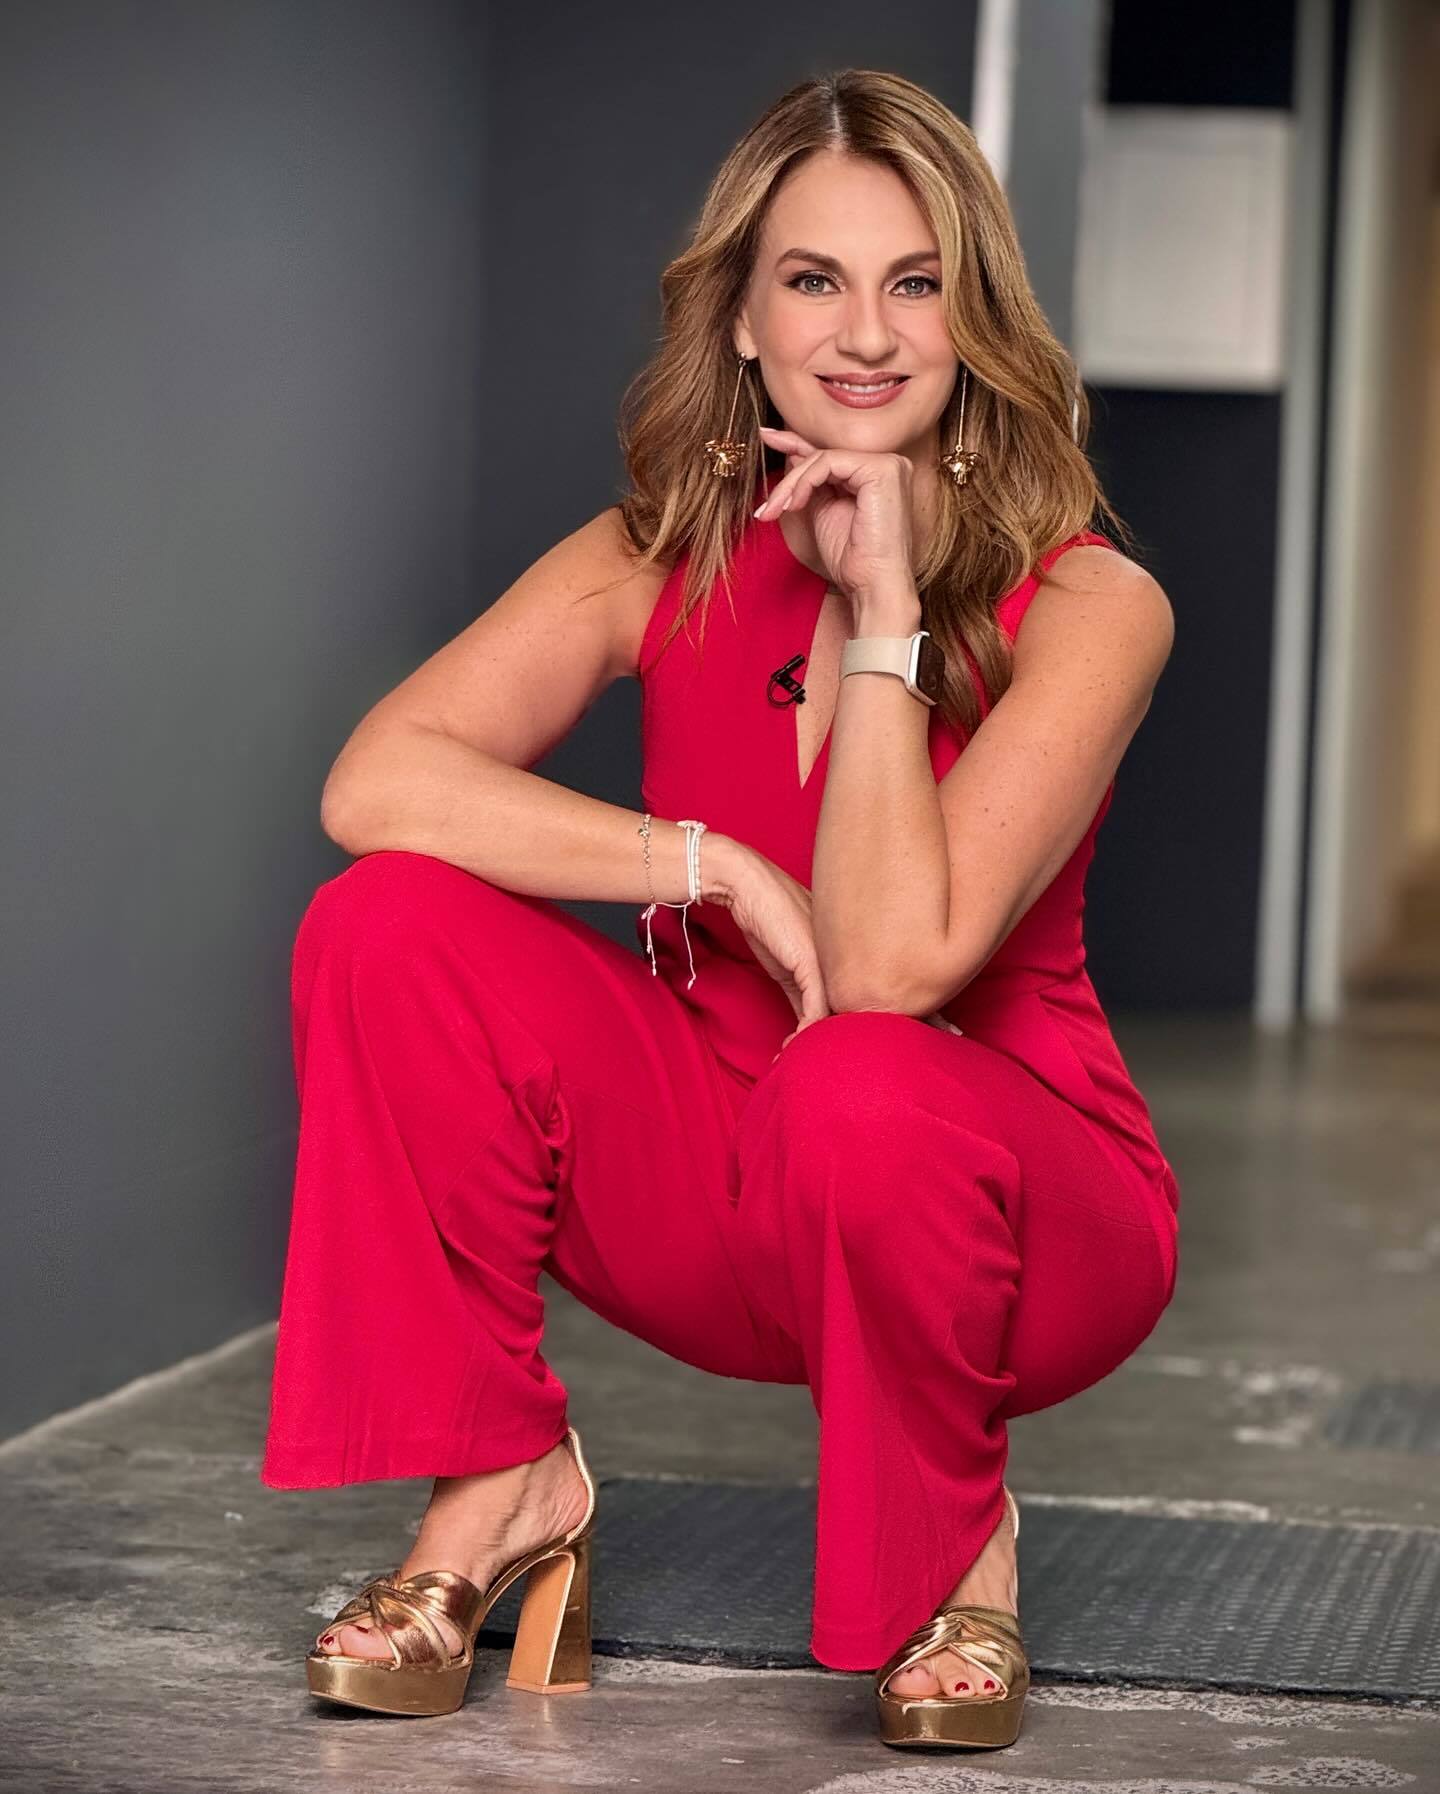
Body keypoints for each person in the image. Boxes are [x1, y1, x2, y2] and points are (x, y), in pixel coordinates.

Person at [261, 67, 1180, 1752]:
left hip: (1018, 1214)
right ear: (745, 321)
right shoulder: (661, 553)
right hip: (725, 1178)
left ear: (974, 318)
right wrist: (715, 863)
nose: (868, 333)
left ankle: (964, 1540)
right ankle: (498, 1477)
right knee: (381, 925)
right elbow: (375, 781)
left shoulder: (1092, 603)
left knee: (859, 1070)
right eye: (814, 280)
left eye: (917, 282)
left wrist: (887, 607)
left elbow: (891, 970)